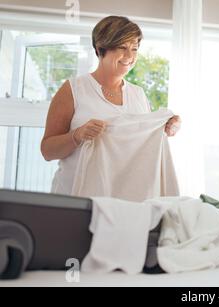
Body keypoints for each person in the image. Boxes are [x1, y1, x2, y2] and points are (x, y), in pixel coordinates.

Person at [41, 16, 181, 195]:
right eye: (122, 47)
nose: (130, 56)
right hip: (74, 199)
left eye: (134, 49)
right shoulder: (73, 90)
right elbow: (47, 151)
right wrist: (77, 135)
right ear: (101, 49)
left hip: (119, 203)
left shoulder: (138, 95)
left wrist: (166, 126)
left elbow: (138, 146)